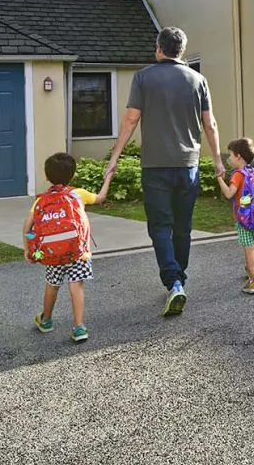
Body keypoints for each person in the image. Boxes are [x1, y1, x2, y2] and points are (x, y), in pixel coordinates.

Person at [101, 27, 224, 317]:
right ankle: (178, 278)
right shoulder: (199, 80)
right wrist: (218, 160)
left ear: (159, 48)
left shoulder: (144, 77)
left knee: (159, 226)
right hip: (188, 166)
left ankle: (173, 282)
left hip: (155, 167)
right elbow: (211, 125)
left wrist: (114, 157)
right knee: (182, 226)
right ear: (181, 50)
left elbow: (131, 120)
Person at [24, 152, 97, 343]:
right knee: (76, 286)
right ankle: (79, 327)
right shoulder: (77, 194)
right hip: (78, 252)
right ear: (72, 175)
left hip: (52, 252)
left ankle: (46, 320)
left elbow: (28, 225)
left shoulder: (42, 200)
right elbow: (100, 198)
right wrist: (108, 178)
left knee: (52, 285)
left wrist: (28, 249)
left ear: (47, 176)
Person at [217, 138, 254, 295]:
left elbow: (228, 194)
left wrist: (220, 178)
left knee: (248, 250)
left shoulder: (238, 175)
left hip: (244, 220)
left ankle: (253, 281)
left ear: (238, 156)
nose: (229, 158)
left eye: (231, 155)